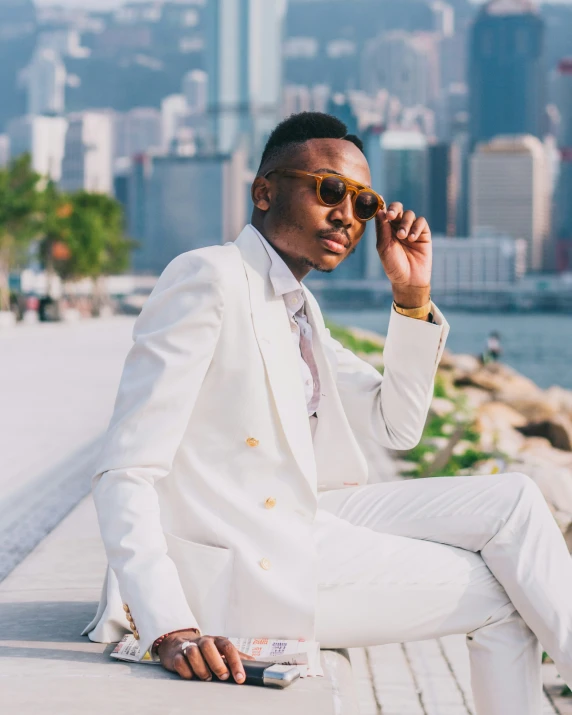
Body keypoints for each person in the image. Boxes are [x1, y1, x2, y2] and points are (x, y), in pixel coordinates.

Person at [83, 113, 572, 714]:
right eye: (330, 190)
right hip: (241, 565)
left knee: (517, 497)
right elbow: (125, 470)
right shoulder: (209, 278)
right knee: (507, 594)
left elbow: (398, 426)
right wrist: (169, 625)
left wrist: (411, 297)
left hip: (300, 521)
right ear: (265, 191)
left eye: (364, 203)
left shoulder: (296, 305)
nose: (347, 214)